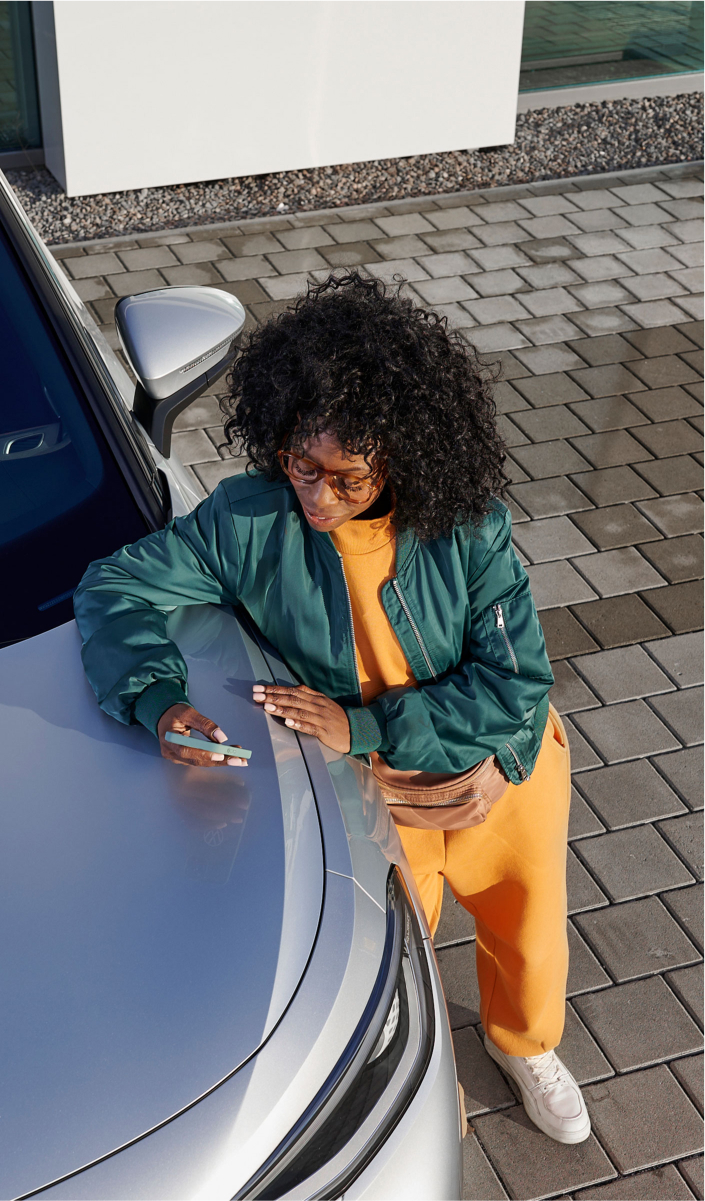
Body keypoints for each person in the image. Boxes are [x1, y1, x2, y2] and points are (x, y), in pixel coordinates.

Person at [74, 271, 590, 1144]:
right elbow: (115, 585)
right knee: (402, 952)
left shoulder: (465, 523)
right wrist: (157, 700)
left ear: (400, 450)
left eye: (344, 478)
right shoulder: (246, 523)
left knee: (528, 924)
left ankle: (524, 1041)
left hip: (506, 762)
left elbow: (514, 685)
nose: (315, 497)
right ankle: (432, 1081)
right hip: (384, 789)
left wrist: (362, 725)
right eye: (297, 465)